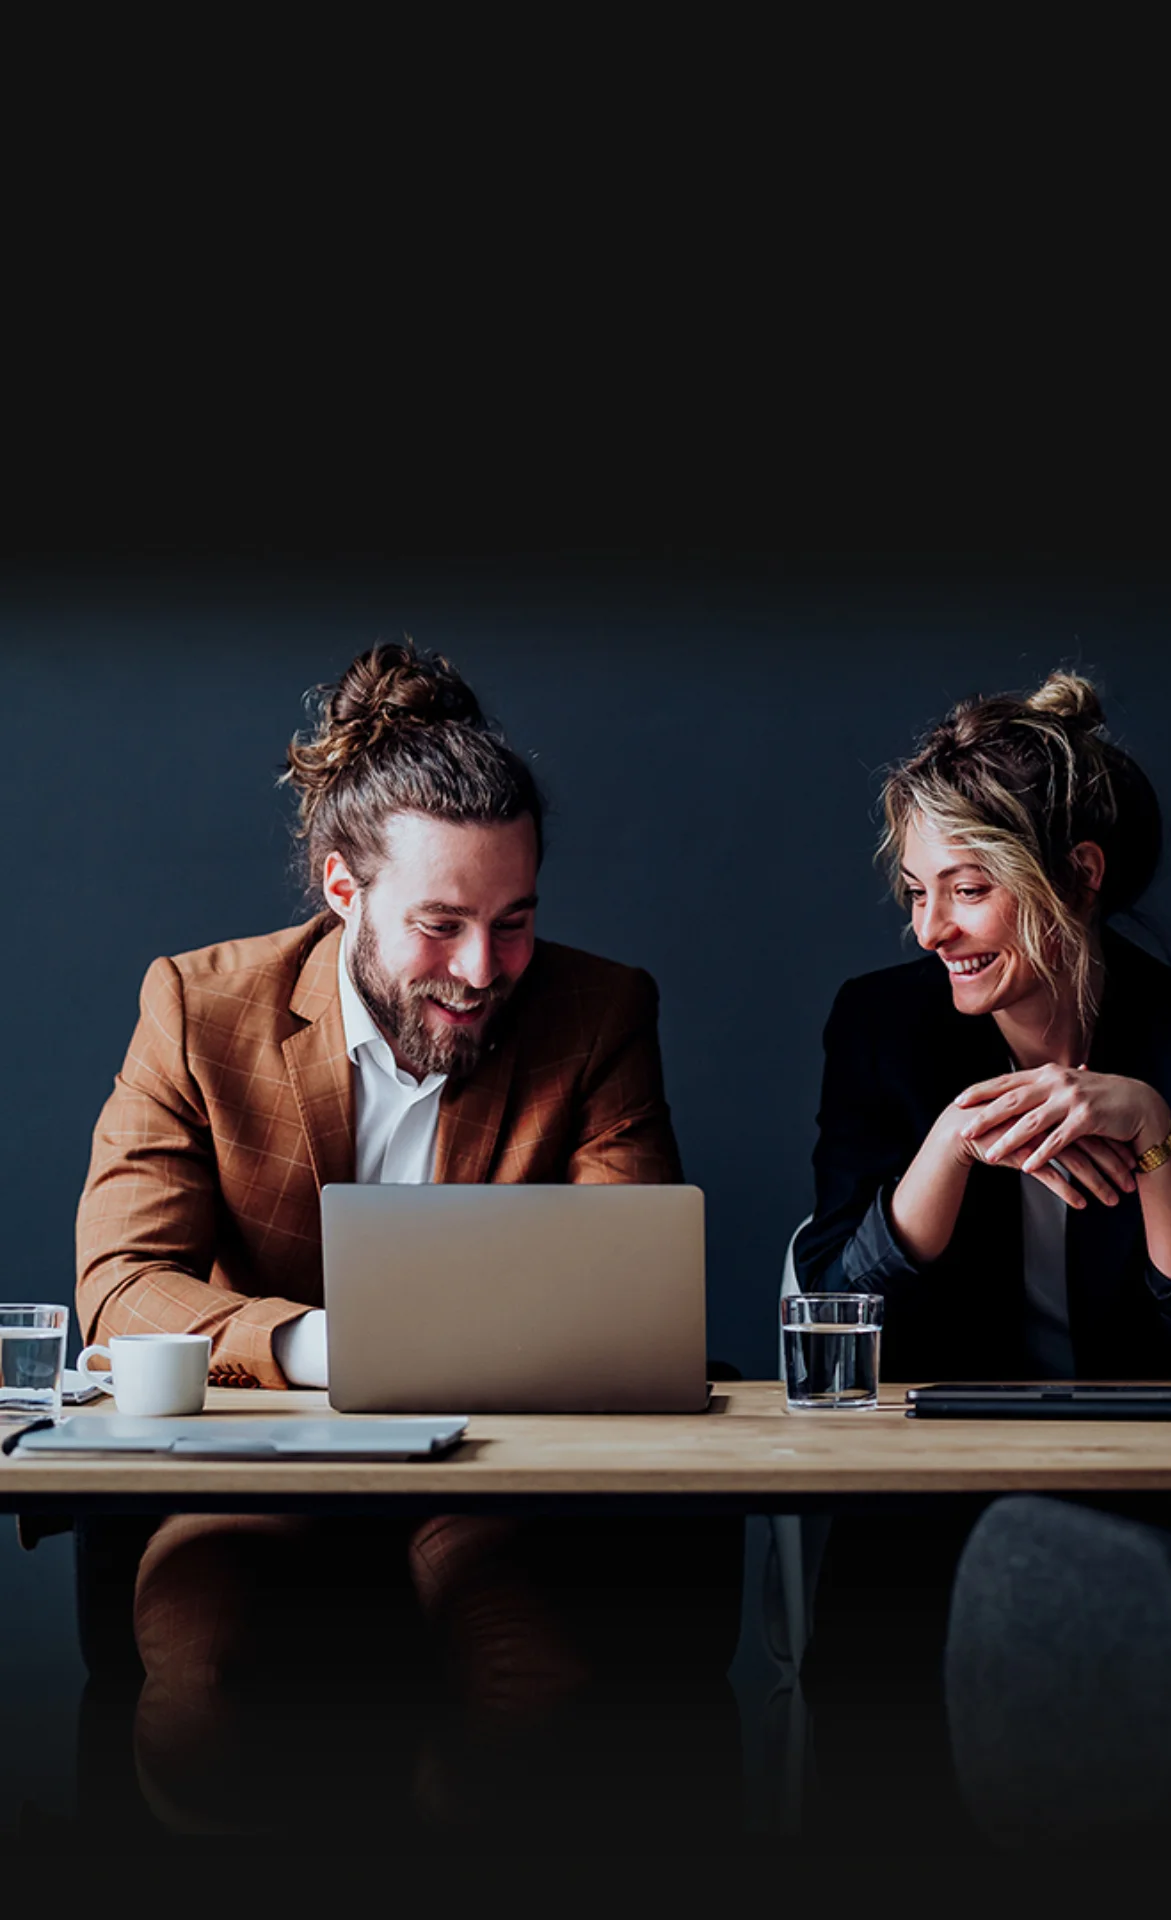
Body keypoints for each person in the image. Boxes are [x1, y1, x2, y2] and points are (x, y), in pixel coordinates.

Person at [74, 641, 739, 1843]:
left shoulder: (597, 1014)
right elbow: (121, 1291)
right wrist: (330, 1346)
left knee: (534, 1676)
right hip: (260, 1469)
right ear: (343, 891)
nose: (484, 972)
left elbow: (628, 1280)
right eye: (440, 926)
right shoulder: (198, 1006)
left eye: (515, 921)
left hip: (501, 1472)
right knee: (205, 1670)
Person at [793, 670, 1171, 1844]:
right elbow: (839, 1316)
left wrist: (1156, 1134)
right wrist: (949, 1145)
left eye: (969, 890)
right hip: (940, 1478)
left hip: (1168, 1474)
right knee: (889, 1631)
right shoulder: (882, 1028)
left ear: (1077, 876)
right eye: (917, 892)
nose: (931, 928)